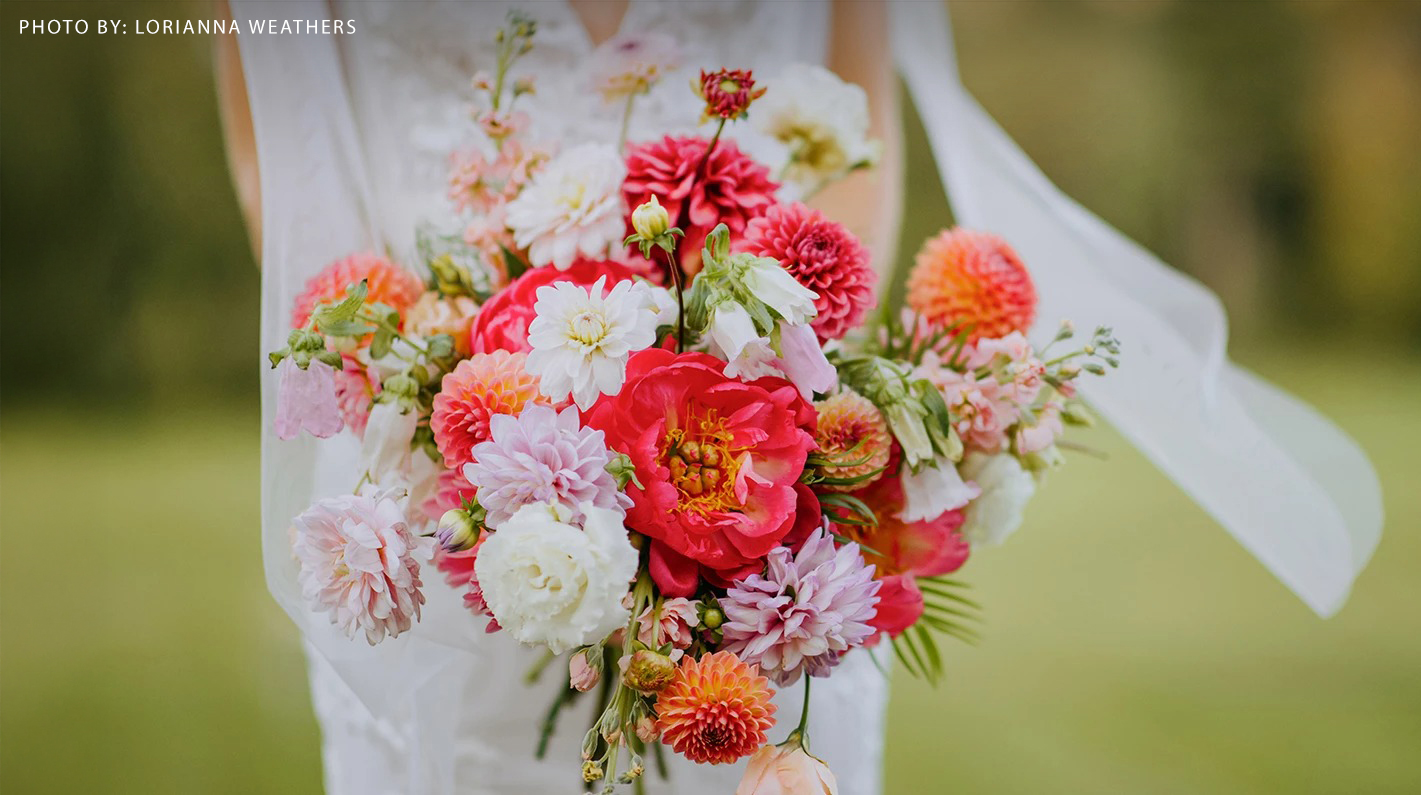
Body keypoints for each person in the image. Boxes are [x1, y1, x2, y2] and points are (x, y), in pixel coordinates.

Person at [219, 2, 1381, 793]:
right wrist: (454, 403)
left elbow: (855, 157)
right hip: (438, 515)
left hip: (764, 534)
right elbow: (278, 153)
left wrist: (767, 387)